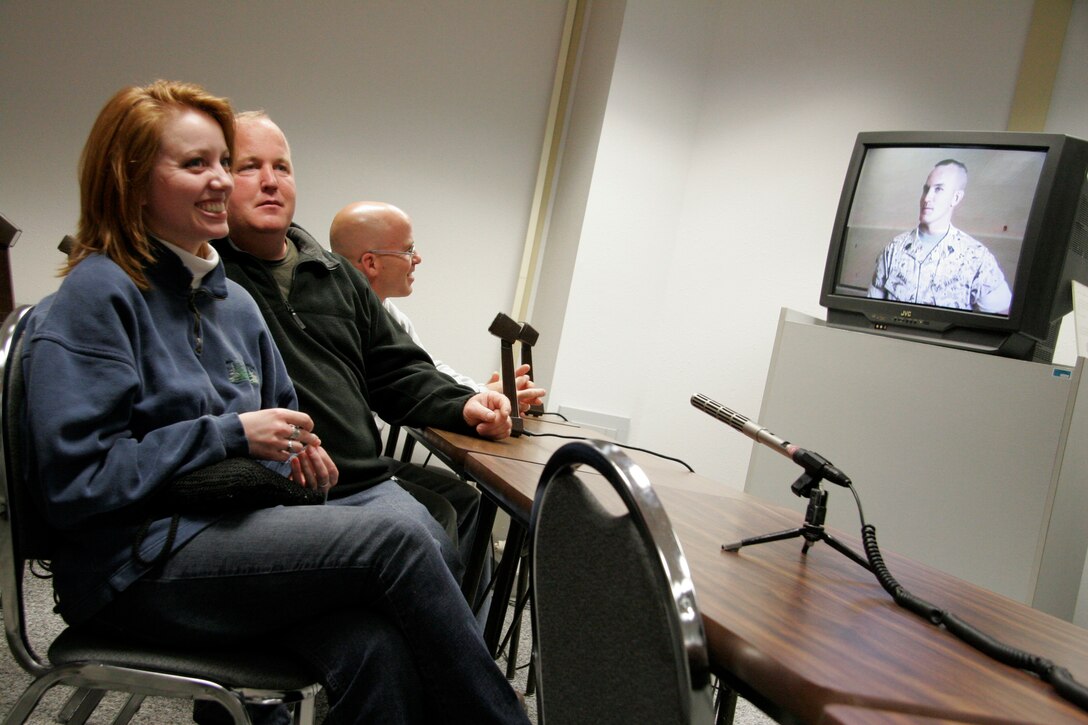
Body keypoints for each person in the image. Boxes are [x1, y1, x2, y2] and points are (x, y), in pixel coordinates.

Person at [22, 80, 529, 725]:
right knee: (397, 536)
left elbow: (288, 420)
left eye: (221, 163)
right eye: (196, 164)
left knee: (378, 648)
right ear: (130, 180)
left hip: (228, 534)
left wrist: (301, 454)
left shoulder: (230, 300)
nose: (220, 181)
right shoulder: (100, 296)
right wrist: (231, 434)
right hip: (133, 568)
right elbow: (77, 484)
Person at [214, 113, 486, 566]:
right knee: (424, 545)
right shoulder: (210, 279)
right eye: (248, 167)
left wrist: (464, 405)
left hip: (362, 480)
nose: (270, 181)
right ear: (220, 180)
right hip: (271, 491)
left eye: (281, 167)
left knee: (441, 534)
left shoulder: (340, 278)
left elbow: (397, 370)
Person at [328, 201, 546, 413]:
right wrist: (479, 394)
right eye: (409, 250)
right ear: (371, 263)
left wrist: (483, 392)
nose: (418, 258)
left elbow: (426, 369)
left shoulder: (391, 315)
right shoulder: (333, 316)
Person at [868, 159, 1012, 314]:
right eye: (926, 189)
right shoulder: (893, 249)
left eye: (938, 189)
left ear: (955, 198)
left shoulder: (977, 258)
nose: (927, 198)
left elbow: (1000, 316)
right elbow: (872, 310)